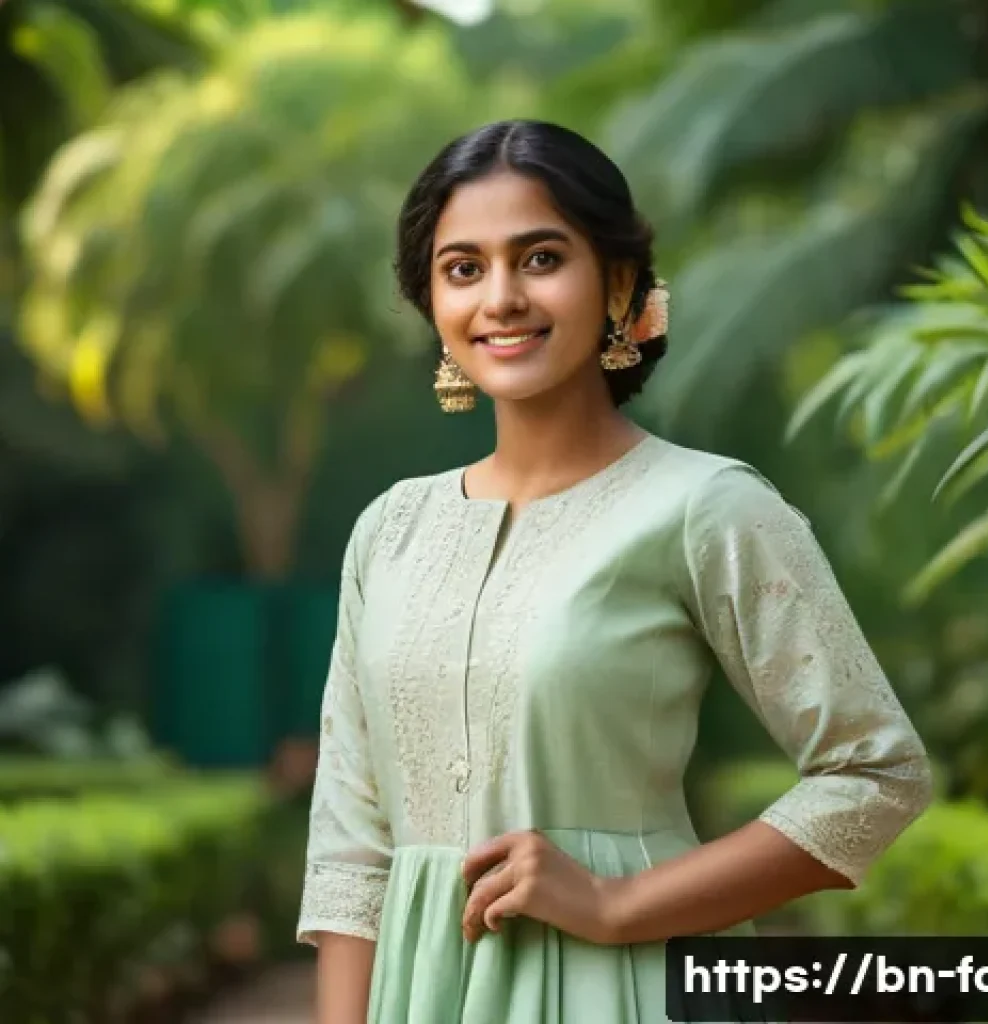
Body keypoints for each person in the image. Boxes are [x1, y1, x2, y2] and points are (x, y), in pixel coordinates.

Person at [296, 119, 934, 1023]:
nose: (501, 298)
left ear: (620, 282)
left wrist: (613, 904)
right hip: (422, 994)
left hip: (630, 987)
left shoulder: (708, 507)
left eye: (542, 258)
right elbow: (352, 848)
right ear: (431, 303)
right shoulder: (390, 530)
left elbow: (875, 776)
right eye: (464, 268)